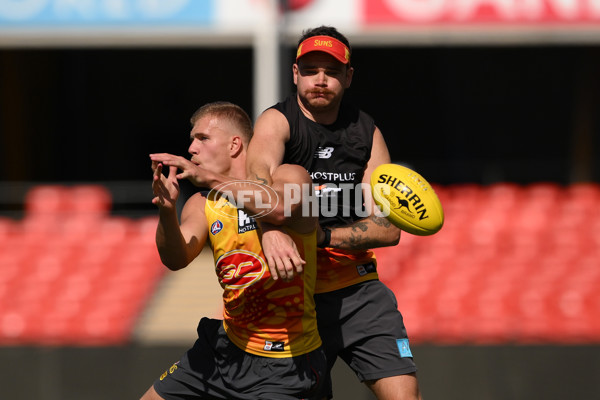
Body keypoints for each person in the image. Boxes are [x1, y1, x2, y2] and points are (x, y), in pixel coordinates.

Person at [246, 27, 423, 399]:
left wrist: (322, 236)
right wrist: (271, 229)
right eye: (310, 70)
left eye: (331, 71)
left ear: (348, 76)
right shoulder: (277, 122)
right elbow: (257, 183)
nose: (320, 80)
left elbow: (388, 229)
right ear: (295, 73)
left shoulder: (366, 131)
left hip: (359, 292)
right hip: (294, 294)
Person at [140, 101, 325, 400]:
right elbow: (175, 259)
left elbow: (278, 209)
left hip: (285, 359)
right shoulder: (202, 203)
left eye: (202, 138)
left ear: (235, 145)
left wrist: (212, 180)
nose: (191, 149)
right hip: (226, 348)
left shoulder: (290, 175)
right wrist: (166, 211)